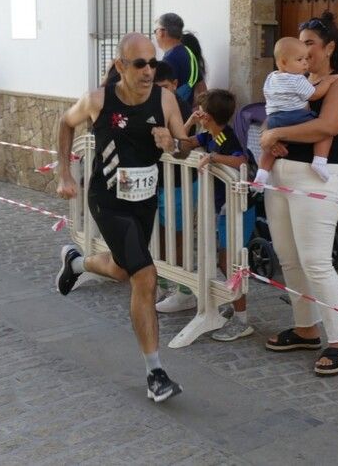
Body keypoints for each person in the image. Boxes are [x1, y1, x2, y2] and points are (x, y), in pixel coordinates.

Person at [54, 33, 192, 403]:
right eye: (140, 64)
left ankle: (77, 262)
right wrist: (64, 173)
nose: (148, 71)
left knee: (122, 270)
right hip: (108, 201)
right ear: (121, 66)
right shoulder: (98, 100)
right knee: (145, 277)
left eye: (153, 63)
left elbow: (184, 146)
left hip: (144, 201)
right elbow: (66, 123)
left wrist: (173, 144)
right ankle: (155, 373)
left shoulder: (165, 100)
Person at [259, 11, 338, 377]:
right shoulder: (293, 81)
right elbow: (271, 118)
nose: (304, 50)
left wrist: (276, 135)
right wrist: (271, 137)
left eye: (310, 43)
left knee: (316, 260)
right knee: (289, 257)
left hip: (320, 178)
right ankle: (305, 328)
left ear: (330, 48)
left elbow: (327, 126)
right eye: (300, 44)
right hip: (282, 174)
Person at [177, 89, 257, 341]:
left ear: (208, 116)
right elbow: (183, 143)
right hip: (225, 208)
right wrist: (189, 122)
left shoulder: (226, 137)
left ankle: (242, 320)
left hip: (239, 208)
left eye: (199, 111)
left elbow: (241, 161)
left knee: (230, 261)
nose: (196, 113)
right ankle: (234, 306)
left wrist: (212, 157)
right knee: (224, 260)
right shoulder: (211, 135)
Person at [255, 37, 338, 186]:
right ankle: (320, 161)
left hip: (273, 120)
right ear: (283, 63)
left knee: (270, 149)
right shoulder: (297, 79)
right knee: (325, 132)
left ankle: (261, 174)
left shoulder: (271, 77)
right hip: (294, 117)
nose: (305, 63)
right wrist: (327, 82)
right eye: (300, 60)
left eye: (306, 59)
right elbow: (315, 94)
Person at [153, 60, 199, 312]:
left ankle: (185, 291)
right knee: (160, 235)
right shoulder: (152, 102)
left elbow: (184, 144)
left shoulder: (177, 105)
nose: (158, 92)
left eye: (163, 87)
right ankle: (161, 282)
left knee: (178, 237)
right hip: (160, 181)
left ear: (174, 84)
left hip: (180, 183)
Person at [153, 13, 201, 110]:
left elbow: (162, 95)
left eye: (155, 31)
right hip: (185, 112)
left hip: (174, 114)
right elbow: (200, 86)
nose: (155, 35)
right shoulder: (188, 53)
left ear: (162, 32)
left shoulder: (170, 59)